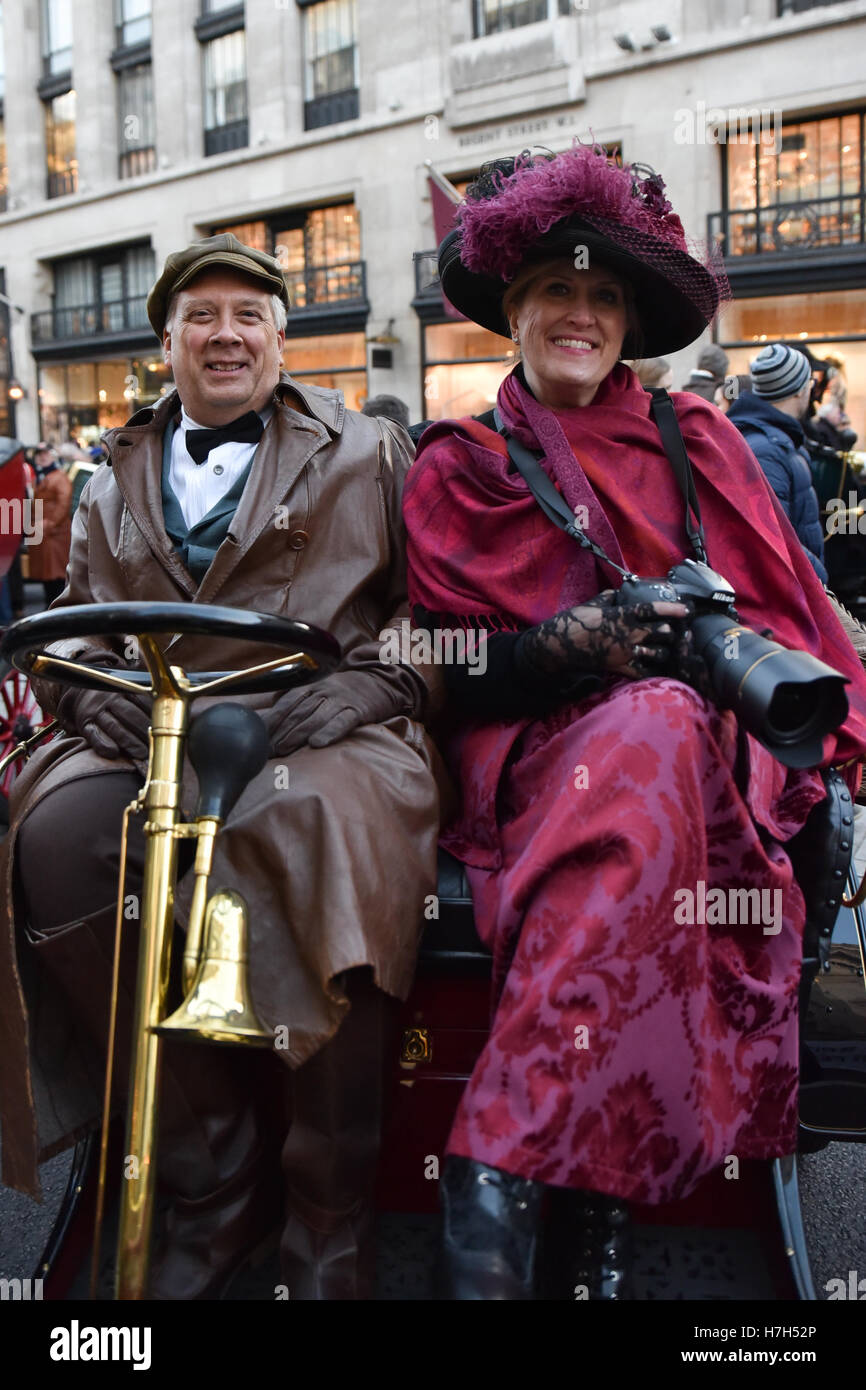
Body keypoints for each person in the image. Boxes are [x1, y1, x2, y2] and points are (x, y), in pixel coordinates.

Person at [402, 146, 866, 1300]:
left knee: (661, 719)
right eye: (556, 290)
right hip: (528, 750)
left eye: (604, 295)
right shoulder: (456, 462)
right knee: (645, 725)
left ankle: (496, 1194)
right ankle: (592, 1241)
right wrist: (587, 641)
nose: (580, 313)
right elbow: (443, 665)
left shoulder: (698, 439)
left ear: (629, 322)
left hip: (709, 749)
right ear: (510, 309)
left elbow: (793, 616)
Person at [0, 233, 442, 1300]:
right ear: (168, 343)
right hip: (156, 730)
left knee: (307, 833)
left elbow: (438, 614)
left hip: (327, 728)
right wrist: (81, 691)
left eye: (250, 314)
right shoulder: (110, 475)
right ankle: (212, 1174)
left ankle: (330, 1209)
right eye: (203, 315)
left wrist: (378, 685)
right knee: (56, 839)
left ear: (283, 338)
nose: (227, 333)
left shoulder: (368, 450)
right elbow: (71, 629)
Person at [727, 344, 828, 581]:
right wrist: (818, 577)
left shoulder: (778, 439)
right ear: (798, 390)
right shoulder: (767, 449)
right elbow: (772, 539)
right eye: (810, 384)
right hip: (794, 591)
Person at [25, 443, 73, 607]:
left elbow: (64, 503)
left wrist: (50, 524)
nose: (42, 456)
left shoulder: (59, 476)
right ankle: (51, 608)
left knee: (57, 576)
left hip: (54, 534)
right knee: (47, 576)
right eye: (39, 454)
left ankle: (56, 610)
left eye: (45, 453)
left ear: (52, 456)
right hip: (43, 533)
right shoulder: (40, 477)